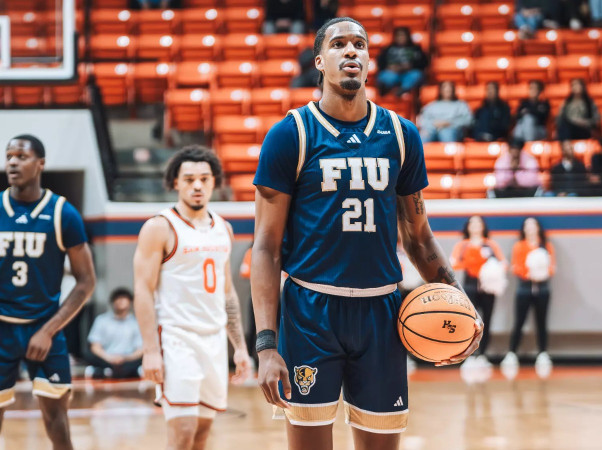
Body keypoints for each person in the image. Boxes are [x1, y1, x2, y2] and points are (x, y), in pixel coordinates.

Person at [251, 17, 483, 450]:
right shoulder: (290, 135)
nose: (351, 51)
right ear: (321, 61)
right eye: (339, 44)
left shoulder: (400, 134)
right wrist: (266, 345)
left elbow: (419, 237)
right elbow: (265, 248)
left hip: (382, 310)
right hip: (309, 312)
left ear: (370, 61)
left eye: (360, 43)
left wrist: (460, 301)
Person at [133, 146, 251, 450]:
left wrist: (239, 347)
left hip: (213, 342)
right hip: (176, 340)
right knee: (182, 432)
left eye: (203, 179)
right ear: (175, 182)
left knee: (201, 434)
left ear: (214, 182)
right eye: (188, 179)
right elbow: (143, 290)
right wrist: (150, 350)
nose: (197, 186)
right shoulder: (159, 227)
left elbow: (227, 291)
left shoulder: (223, 228)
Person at [0, 135, 96, 450]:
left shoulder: (62, 213)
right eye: (9, 155)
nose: (13, 162)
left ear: (40, 163)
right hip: (2, 327)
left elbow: (86, 281)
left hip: (44, 328)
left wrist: (48, 330)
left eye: (21, 156)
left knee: (57, 423)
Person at [502, 217, 556, 379]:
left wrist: (544, 273)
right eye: (527, 226)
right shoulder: (519, 246)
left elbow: (552, 266)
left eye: (533, 226)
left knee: (541, 321)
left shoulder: (546, 245)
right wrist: (528, 274)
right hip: (524, 289)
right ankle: (512, 353)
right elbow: (515, 266)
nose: (530, 229)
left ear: (538, 228)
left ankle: (543, 353)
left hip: (543, 289)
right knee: (519, 321)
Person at [450, 216, 505, 368]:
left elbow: (503, 264)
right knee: (469, 322)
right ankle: (468, 355)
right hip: (470, 288)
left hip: (488, 288)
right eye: (472, 223)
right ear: (468, 227)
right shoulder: (462, 245)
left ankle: (483, 354)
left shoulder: (490, 244)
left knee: (486, 320)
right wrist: (472, 262)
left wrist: (491, 270)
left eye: (478, 223)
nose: (475, 226)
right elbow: (453, 264)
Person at [85, 287, 143, 379]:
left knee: (141, 360)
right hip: (106, 357)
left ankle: (106, 373)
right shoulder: (101, 320)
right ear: (112, 302)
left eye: (124, 299)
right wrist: (109, 358)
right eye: (118, 299)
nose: (120, 301)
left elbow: (140, 350)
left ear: (130, 302)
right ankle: (127, 372)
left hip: (127, 359)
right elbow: (95, 347)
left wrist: (124, 358)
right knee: (88, 355)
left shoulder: (136, 323)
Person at [376, 27, 427, 97]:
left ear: (408, 36)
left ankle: (403, 90)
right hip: (392, 73)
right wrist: (389, 67)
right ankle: (386, 93)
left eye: (403, 35)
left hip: (408, 74)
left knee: (417, 75)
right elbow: (380, 63)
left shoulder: (416, 48)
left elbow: (424, 63)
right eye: (398, 35)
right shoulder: (387, 49)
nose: (401, 38)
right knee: (384, 76)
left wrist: (410, 66)